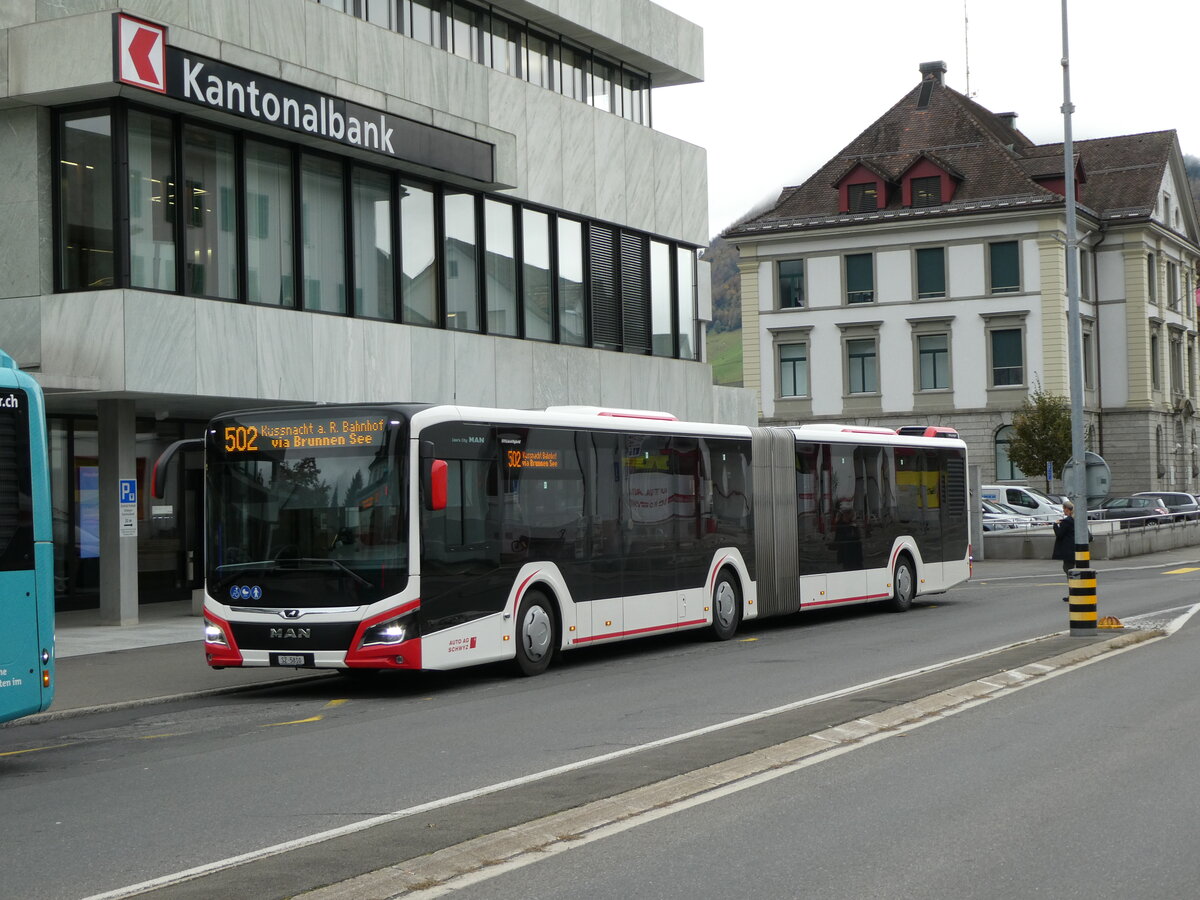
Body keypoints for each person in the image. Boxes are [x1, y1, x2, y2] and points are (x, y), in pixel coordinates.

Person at [1051, 501, 1076, 602]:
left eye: (1064, 509)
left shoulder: (1067, 521)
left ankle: (1073, 593)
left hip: (1068, 550)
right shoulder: (1074, 520)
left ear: (1067, 509)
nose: (1063, 511)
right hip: (1075, 549)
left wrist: (1055, 525)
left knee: (1068, 570)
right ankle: (1074, 593)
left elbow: (1060, 534)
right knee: (1070, 570)